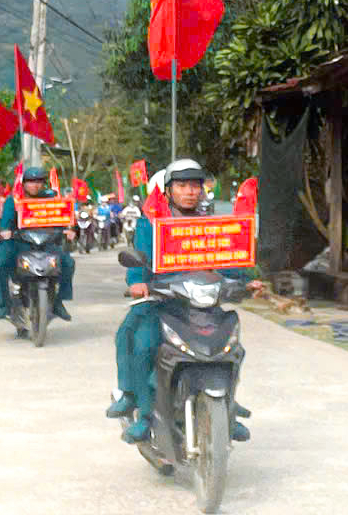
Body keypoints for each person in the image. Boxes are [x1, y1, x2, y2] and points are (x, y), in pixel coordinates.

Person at [107, 158, 255, 444]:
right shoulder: (150, 224)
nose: (190, 191)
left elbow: (227, 261)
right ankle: (145, 414)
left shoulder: (212, 224)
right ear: (168, 190)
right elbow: (139, 260)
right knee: (143, 343)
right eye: (182, 185)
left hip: (202, 303)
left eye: (195, 185)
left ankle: (228, 407)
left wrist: (247, 280)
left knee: (232, 348)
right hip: (162, 301)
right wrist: (137, 282)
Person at [0, 165, 76, 322]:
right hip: (19, 242)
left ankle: (59, 302)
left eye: (38, 181)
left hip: (46, 243)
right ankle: (3, 303)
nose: (34, 185)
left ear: (43, 183)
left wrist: (67, 231)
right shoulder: (14, 200)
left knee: (68, 262)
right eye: (30, 181)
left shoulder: (51, 199)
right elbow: (5, 223)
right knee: (0, 262)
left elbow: (60, 221)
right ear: (23, 183)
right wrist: (5, 231)